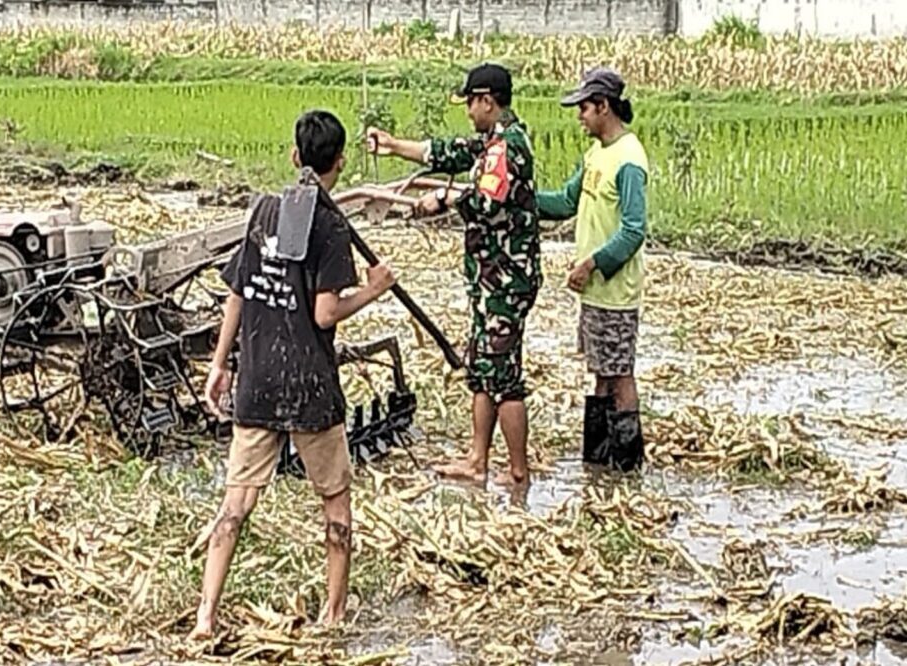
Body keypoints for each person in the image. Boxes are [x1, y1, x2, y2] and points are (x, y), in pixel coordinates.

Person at [188, 110, 396, 640]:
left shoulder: (264, 211)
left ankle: (206, 615)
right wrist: (373, 290)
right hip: (310, 387)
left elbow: (238, 293)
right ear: (340, 163)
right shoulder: (331, 227)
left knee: (235, 504)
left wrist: (220, 364)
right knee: (335, 500)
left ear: (294, 157)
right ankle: (333, 613)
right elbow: (326, 314)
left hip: (257, 380)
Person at [366, 63, 542, 497]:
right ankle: (476, 459)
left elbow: (484, 201)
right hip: (489, 280)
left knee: (505, 377)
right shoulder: (491, 142)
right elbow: (447, 152)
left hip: (506, 280)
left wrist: (442, 199)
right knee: (482, 370)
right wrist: (393, 146)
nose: (467, 111)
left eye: (470, 102)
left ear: (487, 101)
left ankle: (519, 473)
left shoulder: (506, 148)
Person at [535, 67, 649, 473]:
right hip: (595, 293)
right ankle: (598, 466)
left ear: (604, 107)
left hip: (615, 293)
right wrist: (518, 197)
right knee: (601, 372)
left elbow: (634, 229)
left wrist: (592, 263)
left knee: (619, 375)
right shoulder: (596, 154)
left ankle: (627, 465)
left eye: (584, 107)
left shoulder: (629, 160)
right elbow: (567, 200)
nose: (579, 115)